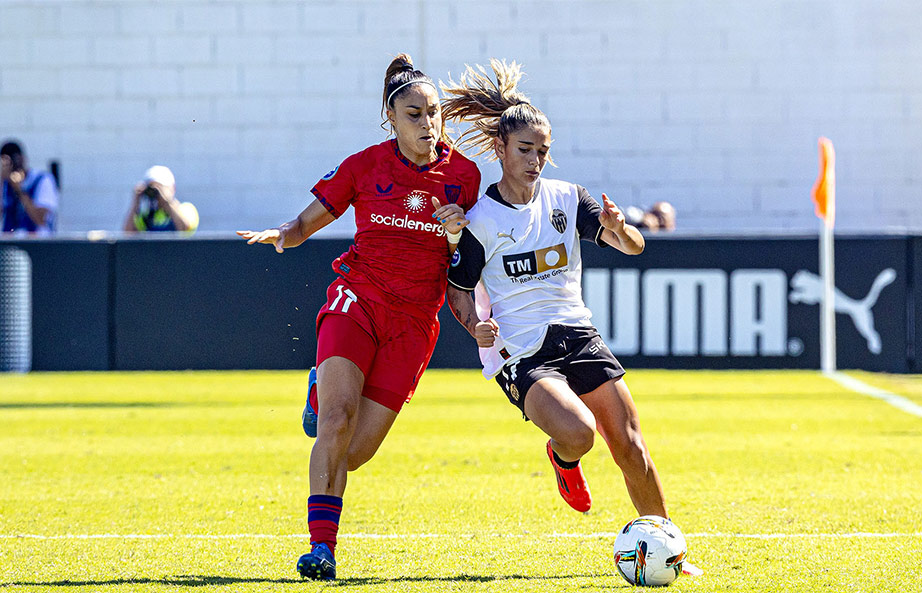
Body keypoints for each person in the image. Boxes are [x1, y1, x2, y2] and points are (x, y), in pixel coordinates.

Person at [441, 60, 700, 576]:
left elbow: (634, 246)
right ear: (500, 149)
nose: (535, 160)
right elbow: (458, 291)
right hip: (521, 350)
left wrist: (620, 229)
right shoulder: (480, 221)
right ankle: (564, 459)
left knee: (630, 443)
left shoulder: (568, 198)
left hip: (578, 333)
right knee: (580, 433)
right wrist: (475, 328)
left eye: (542, 150)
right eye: (525, 149)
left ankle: (668, 548)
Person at [237, 54, 480, 581]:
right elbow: (305, 223)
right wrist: (283, 234)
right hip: (358, 298)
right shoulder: (364, 165)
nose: (427, 123)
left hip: (414, 321)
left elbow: (464, 259)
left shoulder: (464, 176)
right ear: (390, 118)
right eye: (414, 114)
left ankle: (318, 390)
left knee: (355, 451)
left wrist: (456, 235)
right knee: (337, 421)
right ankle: (321, 549)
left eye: (434, 112)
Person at [1, 140, 58, 235]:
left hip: (37, 240)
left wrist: (19, 189)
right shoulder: (5, 183)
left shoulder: (42, 180)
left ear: (23, 159)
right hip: (10, 240)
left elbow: (40, 219)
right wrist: (2, 182)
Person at [123, 165, 199, 232]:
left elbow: (184, 229)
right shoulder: (146, 216)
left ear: (173, 188)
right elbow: (129, 234)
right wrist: (136, 202)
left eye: (160, 188)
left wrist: (167, 202)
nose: (157, 193)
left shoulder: (186, 209)